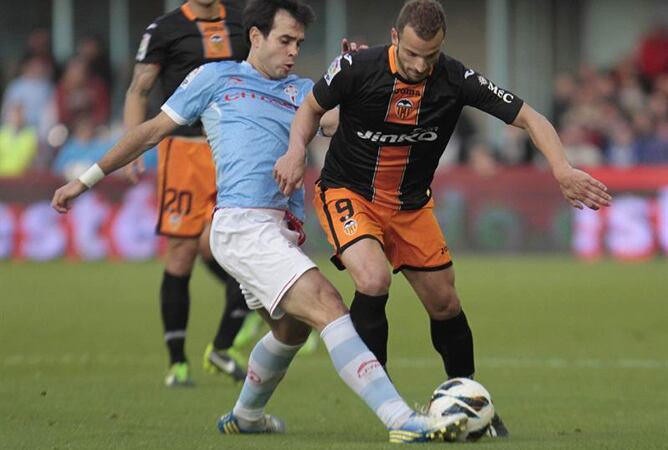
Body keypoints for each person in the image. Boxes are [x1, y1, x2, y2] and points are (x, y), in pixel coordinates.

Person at [51, 0, 469, 443]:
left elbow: (342, 119)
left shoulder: (302, 90)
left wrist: (364, 76)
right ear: (256, 37)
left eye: (299, 43)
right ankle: (400, 419)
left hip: (281, 232)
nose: (292, 51)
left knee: (289, 330)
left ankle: (246, 415)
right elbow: (150, 131)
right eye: (284, 40)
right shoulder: (214, 78)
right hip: (242, 226)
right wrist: (87, 179)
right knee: (328, 303)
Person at [274, 0, 613, 437]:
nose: (419, 65)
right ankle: (389, 405)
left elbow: (530, 117)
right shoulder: (357, 66)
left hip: (411, 206)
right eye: (412, 53)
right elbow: (310, 109)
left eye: (429, 56)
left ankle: (472, 401)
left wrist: (562, 168)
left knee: (445, 304)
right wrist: (295, 151)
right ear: (396, 38)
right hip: (348, 192)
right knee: (373, 279)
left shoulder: (456, 78)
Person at [123, 0, 251, 386]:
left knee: (240, 244)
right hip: (183, 150)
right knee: (182, 252)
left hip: (232, 146)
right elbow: (138, 89)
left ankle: (234, 336)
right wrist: (133, 146)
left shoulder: (245, 24)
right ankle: (177, 362)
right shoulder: (163, 30)